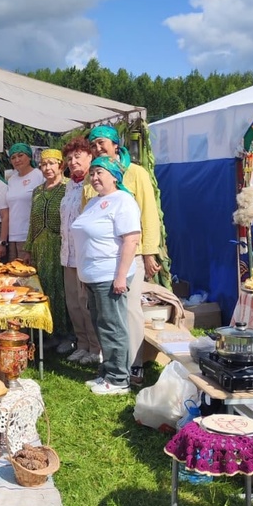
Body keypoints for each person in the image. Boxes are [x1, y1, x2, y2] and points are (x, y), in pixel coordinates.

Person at [87, 126, 161, 386]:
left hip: (131, 253)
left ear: (115, 144)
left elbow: (149, 213)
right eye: (93, 145)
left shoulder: (136, 173)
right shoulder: (92, 176)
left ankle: (135, 364)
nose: (97, 148)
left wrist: (150, 252)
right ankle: (113, 363)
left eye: (102, 143)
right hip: (102, 258)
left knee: (129, 310)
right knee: (106, 315)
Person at [71, 156, 141, 395]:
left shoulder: (123, 201)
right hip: (92, 276)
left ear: (114, 176)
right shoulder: (93, 202)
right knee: (101, 326)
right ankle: (107, 372)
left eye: (100, 172)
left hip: (110, 275)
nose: (94, 177)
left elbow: (131, 240)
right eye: (92, 173)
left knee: (112, 327)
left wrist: (120, 277)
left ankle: (119, 379)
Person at [22, 149, 69, 346]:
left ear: (61, 165)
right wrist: (28, 248)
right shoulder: (37, 191)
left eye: (52, 163)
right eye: (44, 164)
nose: (47, 168)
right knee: (43, 289)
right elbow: (32, 222)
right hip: (40, 248)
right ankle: (47, 334)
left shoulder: (68, 188)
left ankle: (66, 335)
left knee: (61, 291)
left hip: (59, 246)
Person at [59, 137, 100, 364]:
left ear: (90, 157)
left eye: (77, 156)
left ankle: (95, 348)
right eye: (69, 158)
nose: (72, 161)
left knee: (86, 305)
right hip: (68, 254)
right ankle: (81, 343)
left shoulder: (92, 184)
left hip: (85, 254)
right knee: (73, 304)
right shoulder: (69, 185)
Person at [5, 143, 44, 262]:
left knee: (28, 271)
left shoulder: (39, 175)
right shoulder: (11, 180)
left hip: (29, 235)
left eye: (20, 155)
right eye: (13, 157)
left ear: (29, 157)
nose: (17, 160)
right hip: (12, 236)